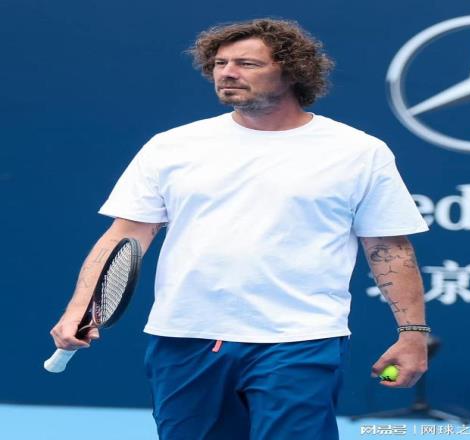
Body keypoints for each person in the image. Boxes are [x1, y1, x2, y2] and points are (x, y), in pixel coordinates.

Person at [50, 18, 430, 440]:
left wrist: (412, 333)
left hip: (300, 340)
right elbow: (126, 235)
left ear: (292, 72)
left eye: (247, 63)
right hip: (184, 338)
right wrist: (80, 307)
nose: (227, 73)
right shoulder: (170, 147)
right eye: (219, 63)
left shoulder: (359, 152)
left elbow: (389, 247)